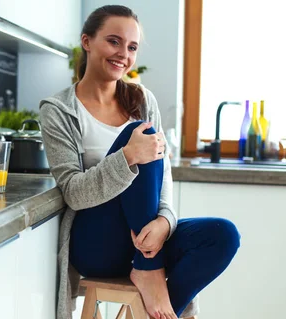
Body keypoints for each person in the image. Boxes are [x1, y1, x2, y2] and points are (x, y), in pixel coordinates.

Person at [39, 5, 241, 319]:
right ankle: (149, 268)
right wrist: (128, 155)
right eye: (114, 41)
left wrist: (165, 223)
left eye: (132, 47)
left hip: (144, 242)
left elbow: (164, 177)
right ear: (87, 41)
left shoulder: (142, 100)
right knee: (139, 134)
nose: (123, 53)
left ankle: (152, 306)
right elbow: (74, 193)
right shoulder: (58, 110)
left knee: (223, 235)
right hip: (95, 244)